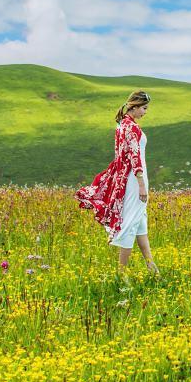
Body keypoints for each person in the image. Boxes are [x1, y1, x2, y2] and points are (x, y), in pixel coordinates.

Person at [75, 90, 159, 275]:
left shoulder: (122, 125)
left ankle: (152, 267)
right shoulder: (131, 127)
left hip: (130, 178)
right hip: (135, 179)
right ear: (134, 106)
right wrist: (141, 184)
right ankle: (121, 273)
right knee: (130, 224)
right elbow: (134, 156)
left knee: (140, 222)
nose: (145, 112)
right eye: (144, 108)